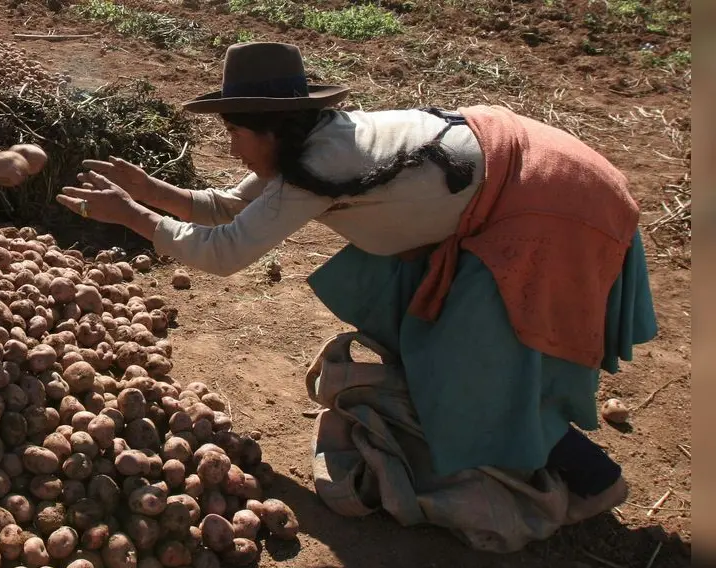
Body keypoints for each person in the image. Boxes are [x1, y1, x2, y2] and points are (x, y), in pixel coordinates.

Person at [56, 42, 657, 524]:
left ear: (267, 130)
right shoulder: (312, 145)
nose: (232, 148)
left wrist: (134, 219)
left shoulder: (319, 166)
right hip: (528, 184)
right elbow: (226, 210)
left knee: (477, 371)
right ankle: (507, 431)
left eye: (234, 134)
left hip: (552, 204)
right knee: (459, 349)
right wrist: (148, 191)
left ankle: (593, 478)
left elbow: (225, 252)